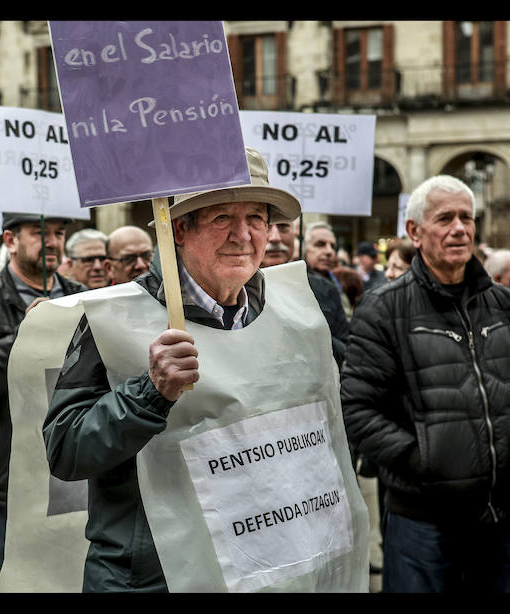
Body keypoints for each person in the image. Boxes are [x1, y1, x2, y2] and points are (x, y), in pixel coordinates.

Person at [43, 147, 359, 592]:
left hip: (257, 568)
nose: (242, 235)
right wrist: (149, 392)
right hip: (154, 577)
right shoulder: (117, 320)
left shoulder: (292, 315)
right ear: (179, 230)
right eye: (221, 218)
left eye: (256, 218)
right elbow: (66, 449)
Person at [341, 175, 510, 593]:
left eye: (466, 218)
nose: (459, 228)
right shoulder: (384, 309)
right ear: (415, 232)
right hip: (423, 521)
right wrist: (425, 462)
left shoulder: (506, 306)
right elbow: (357, 408)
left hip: (503, 516)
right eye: (445, 218)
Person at [0, 213, 86, 593]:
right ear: (10, 240)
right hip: (7, 477)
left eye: (60, 233)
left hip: (70, 469)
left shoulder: (79, 295)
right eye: (40, 233)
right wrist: (24, 333)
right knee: (7, 578)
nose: (53, 241)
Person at [261, 215, 350, 365]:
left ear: (294, 234)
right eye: (266, 227)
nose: (275, 238)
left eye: (283, 227)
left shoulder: (325, 290)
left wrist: (312, 336)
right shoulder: (229, 288)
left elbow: (347, 353)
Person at [304, 222, 353, 320]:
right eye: (320, 244)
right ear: (304, 247)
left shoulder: (341, 282)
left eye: (333, 246)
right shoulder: (296, 282)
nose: (329, 251)